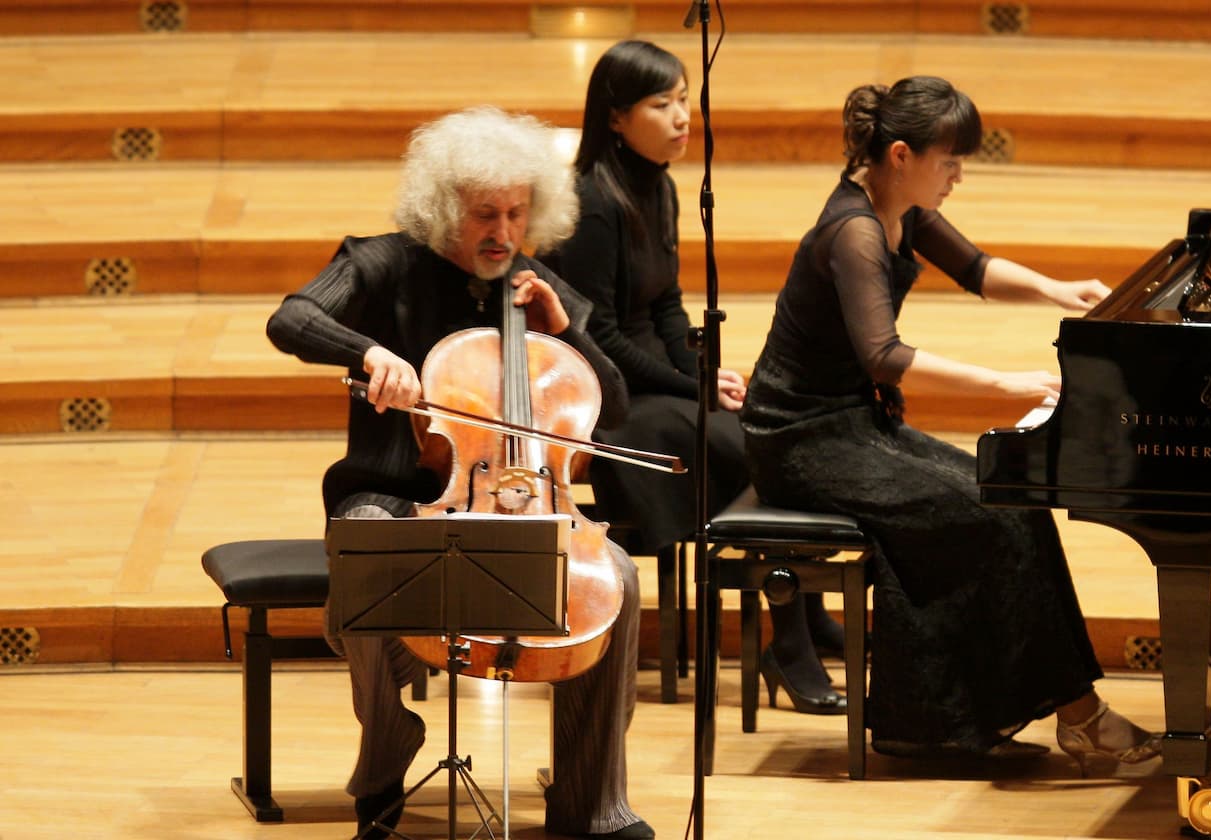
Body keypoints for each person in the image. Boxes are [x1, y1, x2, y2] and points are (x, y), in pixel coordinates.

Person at [738, 76, 1162, 774]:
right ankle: (1055, 718)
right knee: (983, 511)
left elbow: (978, 270)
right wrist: (1003, 384)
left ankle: (995, 713)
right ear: (901, 155)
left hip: (848, 423)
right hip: (799, 439)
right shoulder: (853, 231)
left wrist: (1061, 290)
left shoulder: (899, 207)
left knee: (1009, 498)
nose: (959, 174)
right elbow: (883, 357)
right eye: (950, 160)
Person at [266, 105, 655, 839]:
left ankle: (592, 797)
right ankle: (386, 754)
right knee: (372, 553)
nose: (503, 234)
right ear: (445, 208)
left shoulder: (536, 286)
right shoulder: (384, 263)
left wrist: (564, 331)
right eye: (484, 214)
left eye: (515, 212)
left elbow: (618, 404)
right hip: (389, 491)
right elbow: (291, 320)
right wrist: (368, 353)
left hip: (525, 501)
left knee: (623, 581)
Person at [538, 40, 846, 715]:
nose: (683, 117)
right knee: (744, 448)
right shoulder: (590, 203)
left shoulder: (665, 187)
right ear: (616, 118)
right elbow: (601, 338)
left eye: (684, 100)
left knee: (776, 429)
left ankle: (809, 609)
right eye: (662, 104)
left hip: (661, 387)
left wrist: (704, 374)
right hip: (611, 401)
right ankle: (787, 640)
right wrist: (692, 390)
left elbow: (669, 305)